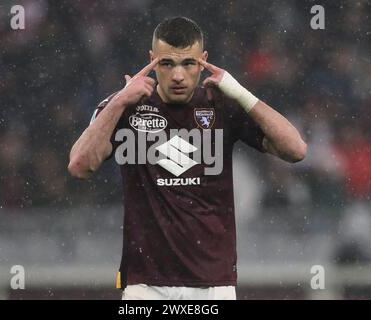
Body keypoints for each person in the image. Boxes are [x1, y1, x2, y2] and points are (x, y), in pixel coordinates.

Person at [68, 16, 307, 300]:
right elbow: (80, 165)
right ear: (152, 60)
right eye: (167, 64)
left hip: (213, 284)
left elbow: (296, 150)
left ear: (203, 61)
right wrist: (120, 100)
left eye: (188, 64)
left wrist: (241, 92)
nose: (178, 75)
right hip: (146, 284)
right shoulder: (125, 106)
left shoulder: (222, 104)